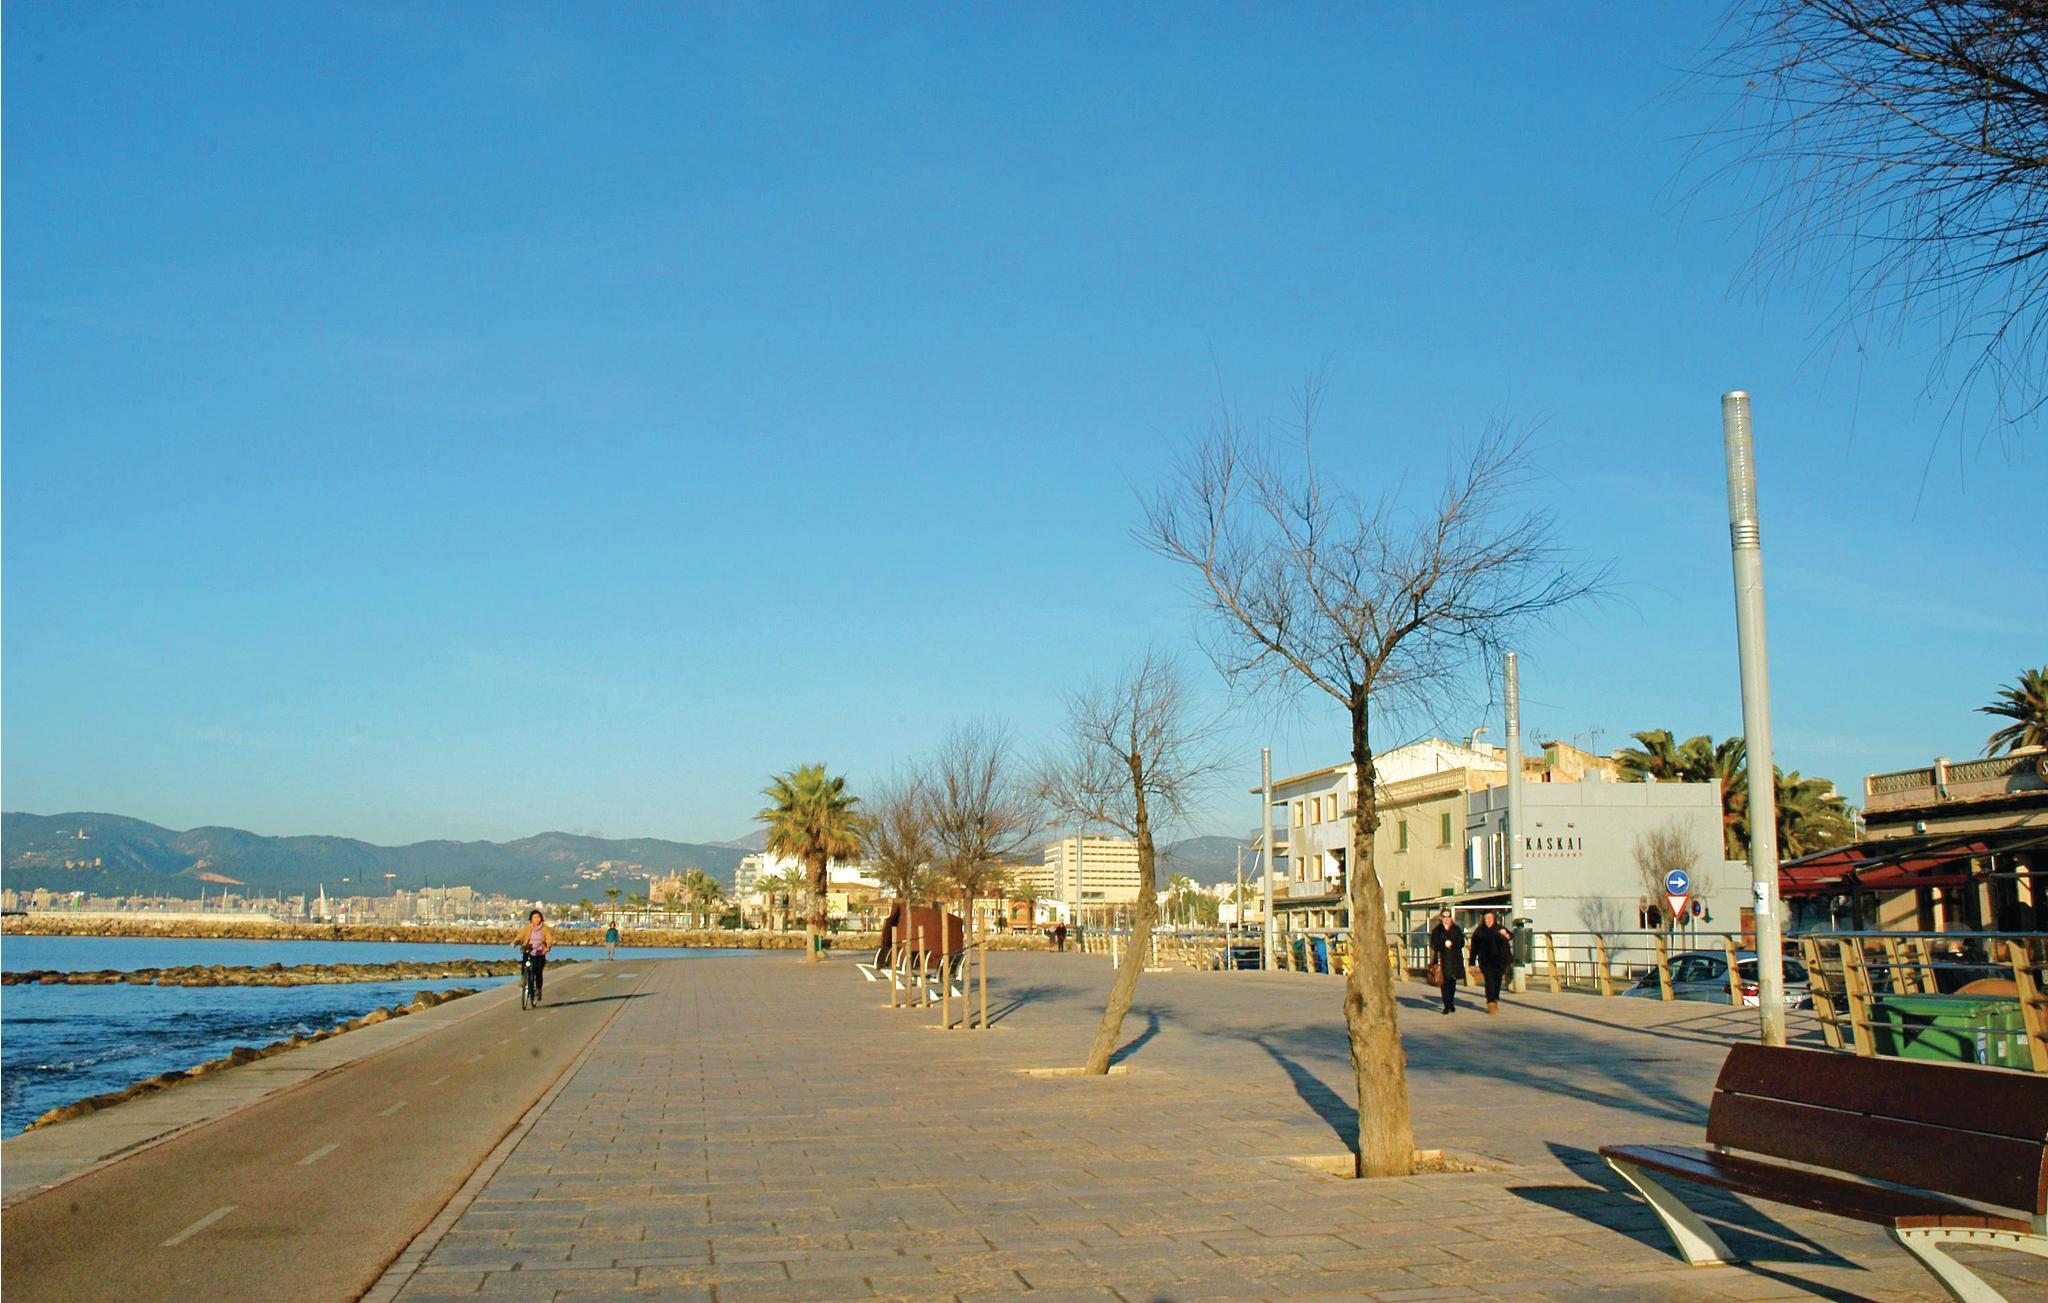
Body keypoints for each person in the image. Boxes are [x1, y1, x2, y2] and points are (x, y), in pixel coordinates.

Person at [1468, 910, 1513, 1014]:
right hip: (1485, 961)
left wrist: (1505, 934)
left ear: (1494, 919)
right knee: (1489, 981)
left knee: (1497, 981)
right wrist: (1471, 962)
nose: (1488, 920)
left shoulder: (1499, 928)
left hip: (1500, 960)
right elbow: (1474, 948)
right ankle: (1491, 1002)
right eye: (1486, 918)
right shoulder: (1479, 931)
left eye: (1490, 918)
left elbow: (1511, 936)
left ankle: (1495, 998)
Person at [1428, 908, 1466, 1015]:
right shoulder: (1437, 930)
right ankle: (1446, 1005)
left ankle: (1451, 1003)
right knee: (1444, 982)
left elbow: (1461, 942)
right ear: (1441, 918)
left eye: (1448, 916)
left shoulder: (1456, 929)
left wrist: (1452, 943)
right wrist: (1443, 944)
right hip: (1443, 959)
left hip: (1454, 959)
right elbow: (1433, 944)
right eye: (1444, 916)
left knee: (1452, 982)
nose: (1447, 919)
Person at [513, 908, 554, 1003]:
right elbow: (520, 936)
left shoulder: (545, 928)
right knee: (525, 964)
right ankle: (523, 978)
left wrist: (548, 946)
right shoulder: (528, 928)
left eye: (538, 917)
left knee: (538, 972)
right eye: (534, 918)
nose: (537, 919)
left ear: (541, 918)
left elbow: (549, 938)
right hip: (529, 950)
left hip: (540, 952)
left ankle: (538, 989)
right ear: (531, 919)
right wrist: (515, 942)